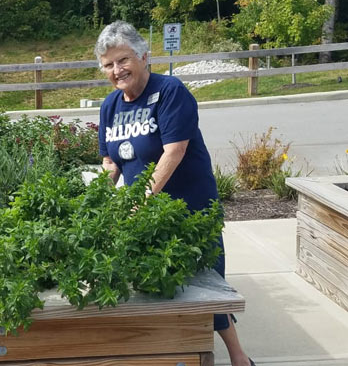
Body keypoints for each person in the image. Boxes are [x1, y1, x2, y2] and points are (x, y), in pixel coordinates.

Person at [95, 21, 255, 366]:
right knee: (157, 282)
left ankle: (239, 357)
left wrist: (142, 199)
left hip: (190, 208)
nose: (117, 70)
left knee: (207, 283)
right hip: (147, 215)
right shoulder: (110, 106)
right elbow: (112, 161)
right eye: (109, 65)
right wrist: (97, 201)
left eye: (123, 60)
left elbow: (174, 151)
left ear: (143, 56)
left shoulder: (170, 91)